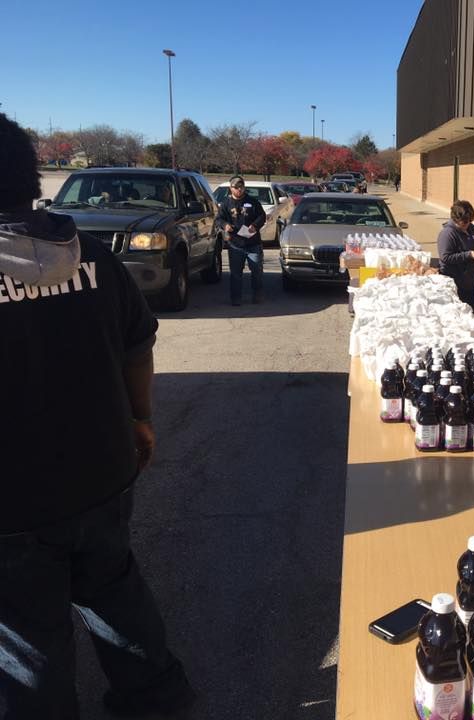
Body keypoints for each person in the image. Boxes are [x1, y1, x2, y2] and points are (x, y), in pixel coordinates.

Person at [0, 113, 194, 718]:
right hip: (102, 470)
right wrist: (140, 419)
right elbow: (139, 346)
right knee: (114, 593)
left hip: (14, 503)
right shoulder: (89, 254)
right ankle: (157, 700)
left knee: (31, 637)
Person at [217, 175, 266, 305]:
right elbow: (219, 219)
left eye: (241, 187)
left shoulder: (253, 202)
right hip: (235, 244)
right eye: (236, 187)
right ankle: (236, 298)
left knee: (256, 270)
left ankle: (257, 294)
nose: (239, 189)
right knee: (236, 274)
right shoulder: (226, 204)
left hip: (252, 243)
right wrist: (225, 225)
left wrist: (255, 226)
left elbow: (262, 216)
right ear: (230, 188)